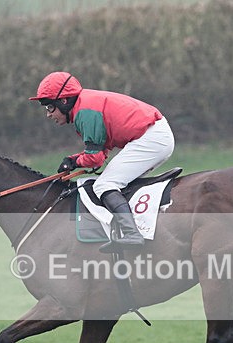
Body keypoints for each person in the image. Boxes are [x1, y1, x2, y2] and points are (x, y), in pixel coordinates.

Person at [30, 71, 174, 253]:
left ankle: (132, 234)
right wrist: (75, 160)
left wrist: (73, 161)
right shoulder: (86, 105)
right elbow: (101, 150)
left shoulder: (85, 112)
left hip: (151, 138)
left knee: (104, 185)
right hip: (154, 135)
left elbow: (94, 158)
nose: (49, 115)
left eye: (50, 108)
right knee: (113, 181)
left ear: (63, 101)